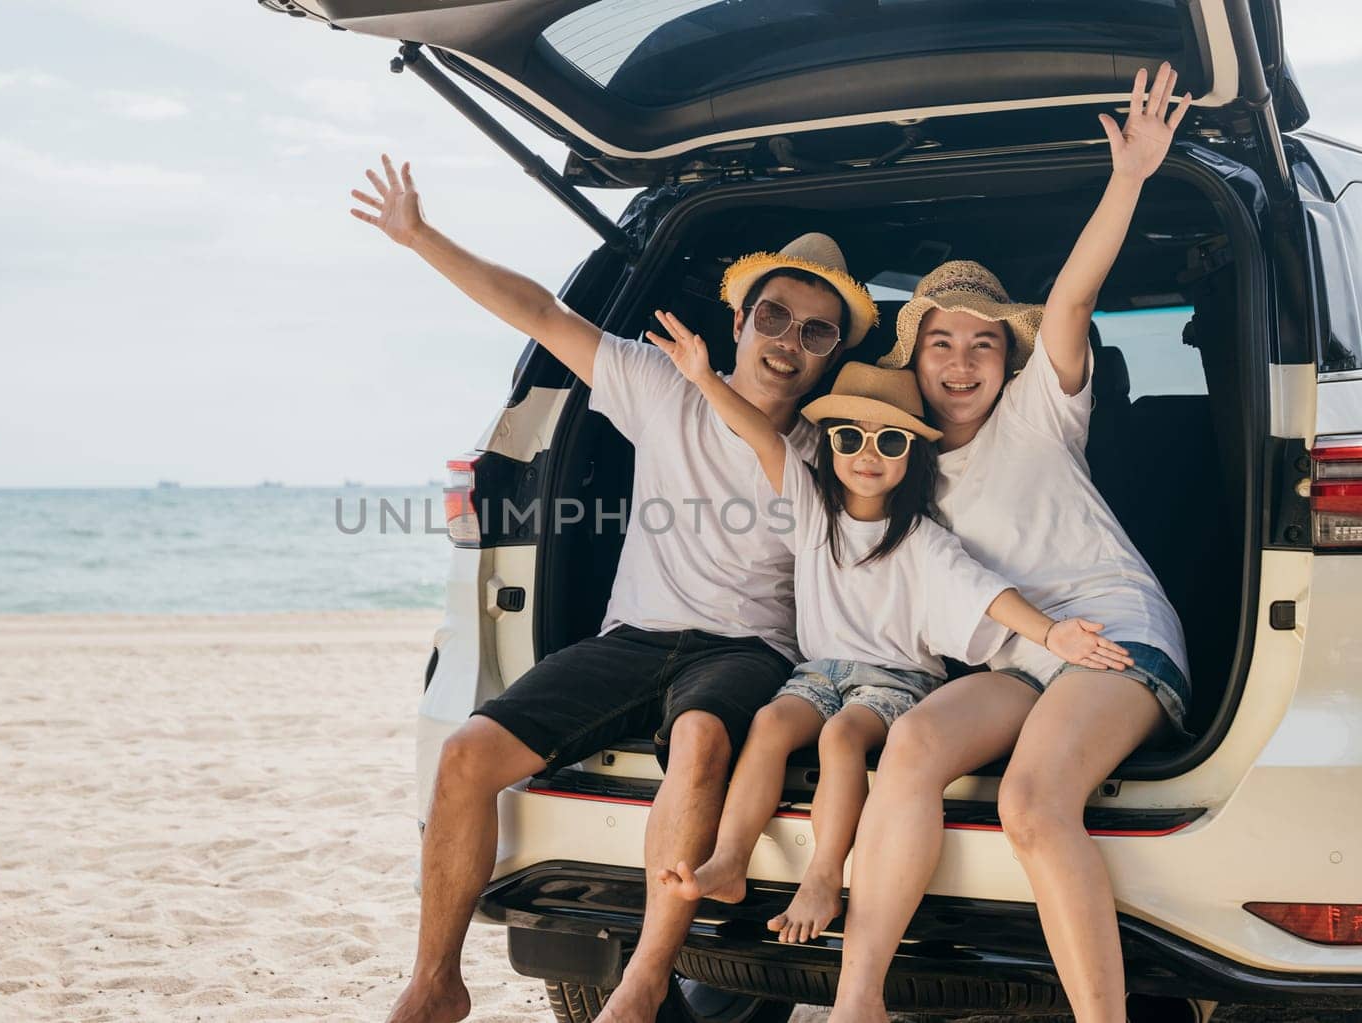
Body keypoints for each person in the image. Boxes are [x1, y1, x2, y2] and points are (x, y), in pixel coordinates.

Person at [348, 155, 881, 1023]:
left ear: (830, 356)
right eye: (775, 316)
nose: (788, 340)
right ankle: (435, 980)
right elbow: (540, 313)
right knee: (465, 758)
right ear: (740, 319)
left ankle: (642, 982)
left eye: (816, 331)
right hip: (635, 636)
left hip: (745, 650)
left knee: (704, 738)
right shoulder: (662, 383)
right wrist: (419, 237)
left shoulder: (829, 451)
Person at [823, 64, 1194, 1023]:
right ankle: (857, 1000)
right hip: (1025, 656)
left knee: (1031, 804)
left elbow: (1069, 302)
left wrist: (1131, 179)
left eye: (983, 344)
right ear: (915, 354)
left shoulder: (1041, 413)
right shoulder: (892, 458)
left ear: (1007, 360)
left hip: (1113, 636)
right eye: (942, 342)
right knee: (909, 745)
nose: (961, 361)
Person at [641, 317, 1131, 945]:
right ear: (828, 446)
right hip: (817, 673)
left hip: (895, 681)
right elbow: (759, 435)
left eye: (891, 443)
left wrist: (1052, 634)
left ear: (913, 454)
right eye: (849, 437)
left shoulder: (924, 538)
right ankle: (731, 860)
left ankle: (823, 877)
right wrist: (704, 377)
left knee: (843, 739)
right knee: (768, 726)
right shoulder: (810, 508)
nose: (867, 455)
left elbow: (989, 594)